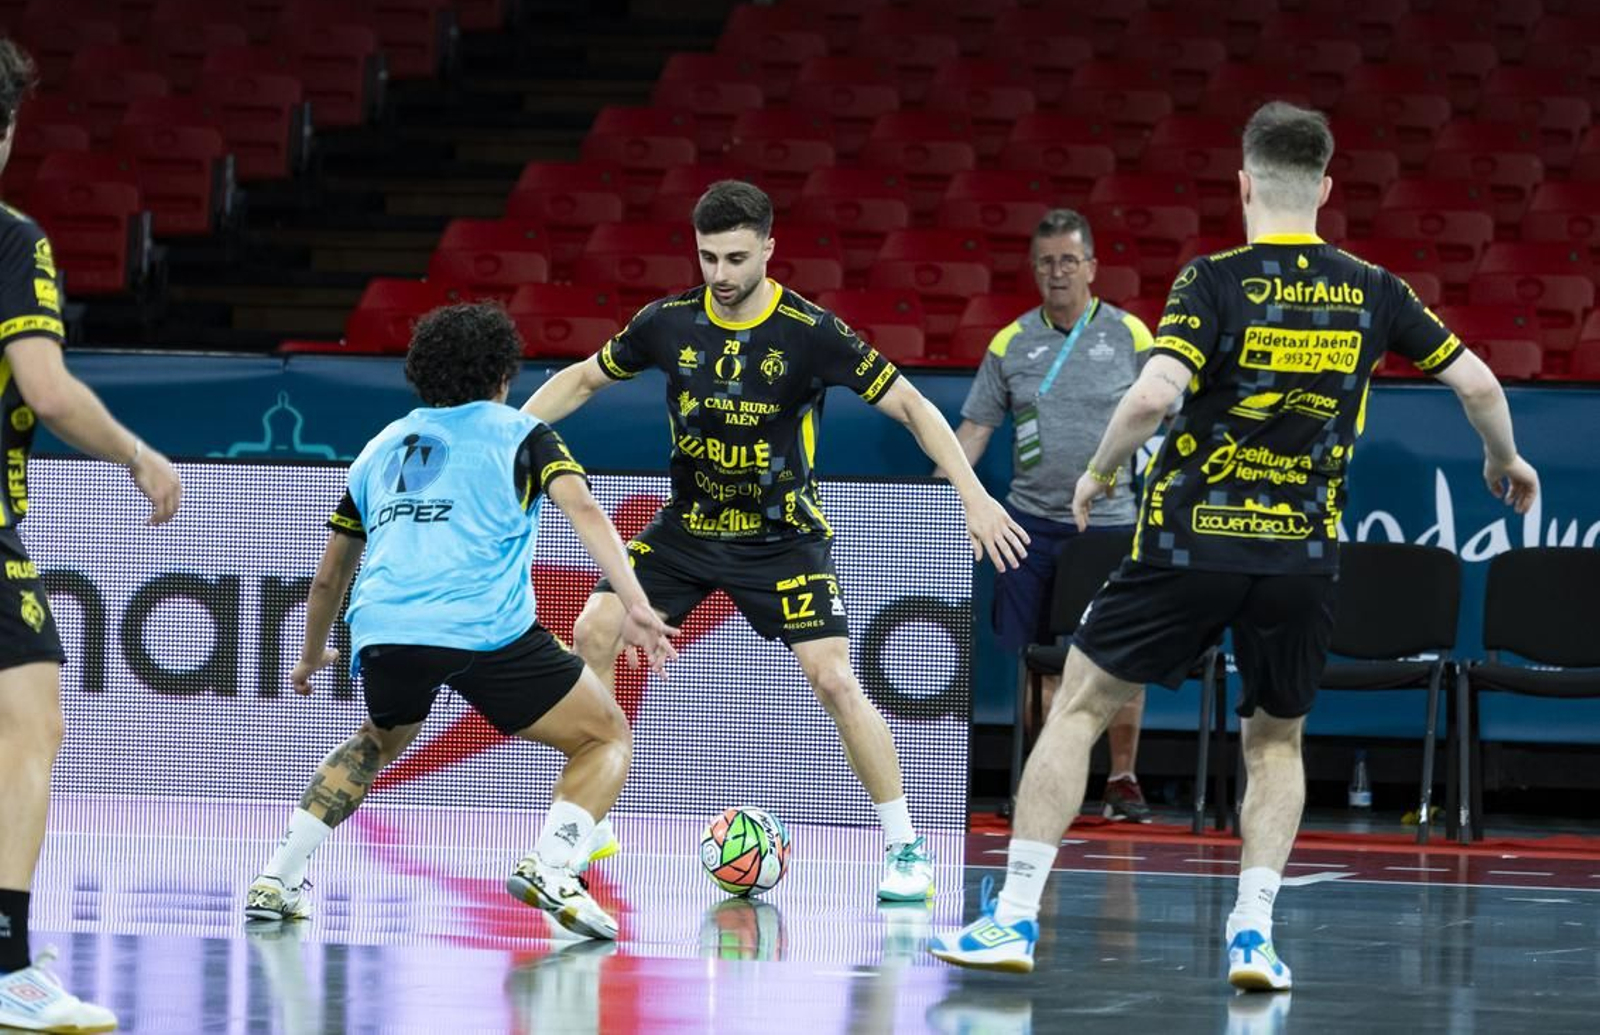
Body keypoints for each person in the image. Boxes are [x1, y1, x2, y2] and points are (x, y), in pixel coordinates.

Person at [930, 101, 1540, 988]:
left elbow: (1147, 400)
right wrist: (1507, 459)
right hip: (1298, 556)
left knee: (1081, 708)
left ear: (1244, 183)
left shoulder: (1212, 278)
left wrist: (1100, 473)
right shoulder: (1375, 287)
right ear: (1325, 188)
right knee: (1276, 743)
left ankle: (1015, 918)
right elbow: (1477, 380)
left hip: (1186, 545)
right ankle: (1253, 934)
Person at [523, 180, 1029, 902]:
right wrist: (502, 439)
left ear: (768, 247)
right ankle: (586, 822)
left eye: (735, 258)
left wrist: (973, 497)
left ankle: (907, 849)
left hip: (782, 537)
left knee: (833, 679)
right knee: (594, 626)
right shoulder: (666, 323)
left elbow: (913, 405)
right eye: (707, 259)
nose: (721, 276)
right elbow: (579, 380)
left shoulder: (811, 332)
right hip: (688, 528)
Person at [243, 302, 678, 942]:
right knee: (605, 735)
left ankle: (277, 878)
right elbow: (584, 509)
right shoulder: (521, 434)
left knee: (375, 742)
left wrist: (310, 656)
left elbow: (329, 579)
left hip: (385, 631)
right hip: (483, 629)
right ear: (504, 375)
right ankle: (553, 865)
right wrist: (636, 600)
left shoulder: (379, 449)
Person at [0, 37, 183, 1034]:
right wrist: (138, 455)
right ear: (11, 126)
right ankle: (5, 970)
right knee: (30, 725)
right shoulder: (11, 239)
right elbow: (46, 388)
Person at [948, 208, 1155, 823]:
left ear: (1092, 266)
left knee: (1122, 659)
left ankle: (1122, 780)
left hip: (1112, 523)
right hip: (1029, 526)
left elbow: (1171, 418)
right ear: (1034, 270)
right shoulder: (1011, 343)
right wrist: (939, 494)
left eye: (1069, 260)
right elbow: (975, 430)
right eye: (1046, 262)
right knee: (1039, 659)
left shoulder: (1133, 337)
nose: (1058, 272)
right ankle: (1045, 780)